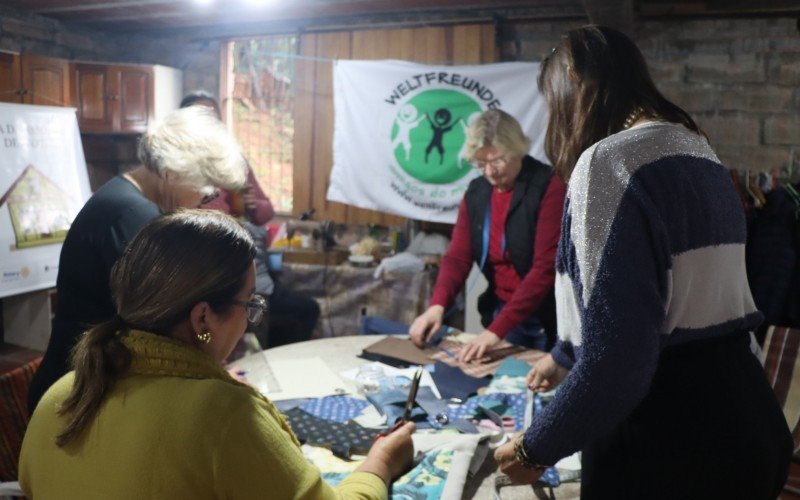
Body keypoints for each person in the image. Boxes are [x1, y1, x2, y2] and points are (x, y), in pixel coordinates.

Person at [494, 25, 792, 498]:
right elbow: (672, 299)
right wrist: (564, 356)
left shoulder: (609, 163)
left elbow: (620, 358)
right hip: (748, 423)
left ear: (572, 77)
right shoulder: (698, 149)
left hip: (670, 439)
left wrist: (536, 448)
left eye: (555, 104)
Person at [19, 210, 415, 498]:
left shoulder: (60, 395)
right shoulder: (223, 413)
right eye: (248, 305)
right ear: (203, 317)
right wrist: (381, 462)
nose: (250, 319)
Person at [27, 106, 247, 413]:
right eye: (205, 191)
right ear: (173, 173)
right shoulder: (132, 217)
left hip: (84, 378)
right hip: (77, 391)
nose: (203, 201)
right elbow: (169, 323)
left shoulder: (125, 198)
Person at [410, 109, 567, 363]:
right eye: (481, 164)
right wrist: (436, 307)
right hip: (505, 310)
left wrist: (493, 332)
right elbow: (458, 258)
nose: (490, 172)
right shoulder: (477, 192)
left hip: (548, 314)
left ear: (517, 149)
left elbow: (544, 269)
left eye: (497, 161)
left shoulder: (550, 186)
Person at [181, 90, 321, 348]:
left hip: (252, 270)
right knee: (253, 332)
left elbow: (265, 212)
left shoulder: (233, 159)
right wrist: (229, 210)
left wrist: (255, 206)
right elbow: (192, 222)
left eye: (213, 117)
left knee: (300, 311)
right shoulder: (183, 167)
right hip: (216, 274)